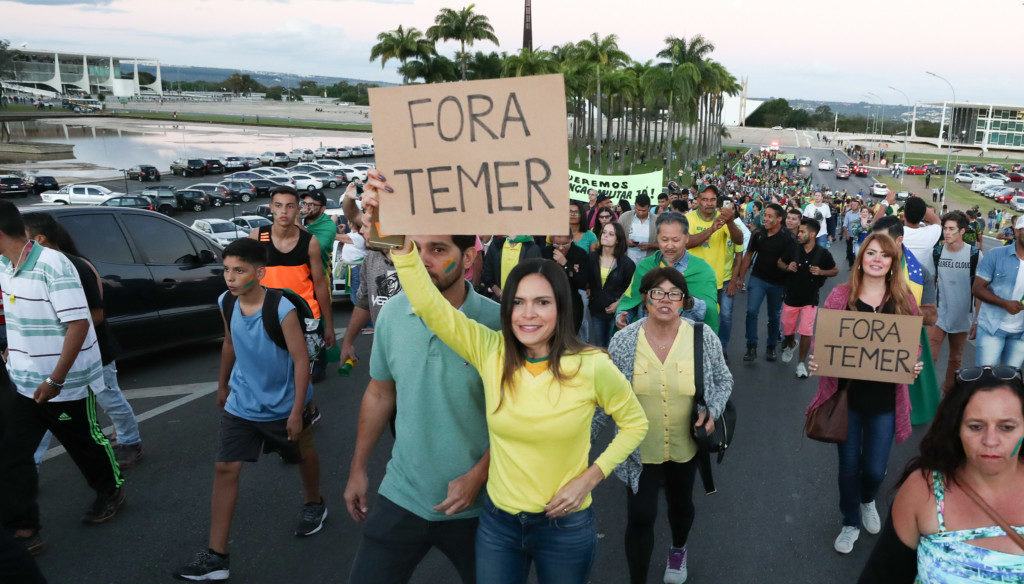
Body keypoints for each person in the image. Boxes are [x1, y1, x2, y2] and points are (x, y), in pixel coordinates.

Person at [365, 172, 649, 584]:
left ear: (562, 309)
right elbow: (429, 305)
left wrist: (590, 478)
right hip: (498, 526)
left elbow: (636, 422)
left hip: (565, 528)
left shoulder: (592, 365)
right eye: (517, 302)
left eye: (542, 302)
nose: (528, 314)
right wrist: (398, 240)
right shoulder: (489, 349)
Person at [344, 235, 498, 584]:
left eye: (438, 249)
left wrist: (478, 476)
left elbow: (521, 417)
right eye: (416, 248)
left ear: (469, 256)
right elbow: (380, 393)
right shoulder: (393, 313)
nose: (423, 259)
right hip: (403, 494)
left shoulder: (498, 322)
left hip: (481, 505)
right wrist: (358, 468)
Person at [174, 238, 323, 582]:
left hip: (283, 405)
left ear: (260, 273)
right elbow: (229, 342)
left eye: (239, 270)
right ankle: (216, 556)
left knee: (302, 453)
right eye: (226, 269)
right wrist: (223, 384)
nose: (230, 277)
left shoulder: (281, 309)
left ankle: (315, 502)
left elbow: (301, 360)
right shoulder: (226, 301)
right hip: (242, 402)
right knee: (226, 467)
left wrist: (297, 411)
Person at [0, 201, 124, 555]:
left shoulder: (55, 266)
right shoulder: (5, 265)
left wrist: (55, 380)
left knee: (84, 444)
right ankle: (24, 527)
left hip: (64, 383)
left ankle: (110, 490)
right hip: (22, 381)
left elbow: (79, 323)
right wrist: (11, 346)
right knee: (11, 454)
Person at [603, 268, 732, 584]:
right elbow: (603, 395)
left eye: (674, 294)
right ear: (645, 299)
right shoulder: (623, 341)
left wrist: (712, 411)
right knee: (640, 516)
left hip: (685, 445)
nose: (665, 299)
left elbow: (722, 378)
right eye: (657, 293)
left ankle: (678, 550)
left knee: (681, 507)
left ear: (684, 301)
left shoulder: (702, 336)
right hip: (637, 450)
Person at [806, 233, 925, 555]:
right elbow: (823, 341)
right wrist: (816, 358)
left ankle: (868, 499)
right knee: (847, 468)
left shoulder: (903, 299)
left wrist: (913, 364)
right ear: (860, 258)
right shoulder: (841, 295)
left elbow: (911, 344)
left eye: (884, 255)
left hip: (885, 401)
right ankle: (849, 521)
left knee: (873, 469)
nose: (876, 259)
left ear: (891, 263)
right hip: (846, 400)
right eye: (870, 253)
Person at [857, 367, 1024, 582]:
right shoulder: (923, 490)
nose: (990, 441)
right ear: (956, 429)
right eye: (975, 427)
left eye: (1007, 427)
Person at [22, 213, 143, 469]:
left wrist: (62, 335)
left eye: (23, 238)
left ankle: (130, 441)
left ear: (39, 239)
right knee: (43, 407)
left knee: (108, 398)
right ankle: (28, 464)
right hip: (55, 358)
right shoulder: (32, 268)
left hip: (93, 352)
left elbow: (95, 315)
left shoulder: (76, 266)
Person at [248, 187, 335, 350]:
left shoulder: (310, 242)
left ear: (297, 208)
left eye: (290, 206)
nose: (284, 211)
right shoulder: (257, 236)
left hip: (306, 315)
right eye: (279, 205)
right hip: (268, 314)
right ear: (271, 207)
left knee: (308, 372)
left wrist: (328, 325)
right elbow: (248, 279)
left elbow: (320, 284)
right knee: (274, 369)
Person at [616, 212, 720, 333]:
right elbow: (632, 300)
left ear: (687, 238)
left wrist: (684, 297)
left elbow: (709, 311)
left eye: (675, 240)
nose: (669, 246)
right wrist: (623, 317)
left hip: (685, 341)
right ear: (657, 237)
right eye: (664, 240)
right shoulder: (646, 266)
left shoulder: (702, 270)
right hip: (648, 339)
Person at [732, 203, 793, 362]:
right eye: (765, 215)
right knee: (751, 312)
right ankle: (751, 346)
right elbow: (748, 255)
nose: (765, 218)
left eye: (769, 216)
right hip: (758, 279)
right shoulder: (758, 233)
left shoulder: (788, 237)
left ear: (779, 219)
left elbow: (793, 261)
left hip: (778, 283)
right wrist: (741, 278)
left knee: (774, 316)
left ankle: (771, 346)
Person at [929, 211, 982, 392]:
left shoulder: (974, 255)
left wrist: (976, 320)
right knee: (929, 357)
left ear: (962, 231)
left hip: (962, 316)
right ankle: (925, 396)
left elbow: (980, 291)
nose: (947, 232)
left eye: (951, 229)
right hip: (939, 314)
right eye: (945, 228)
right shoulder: (937, 252)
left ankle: (948, 395)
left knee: (956, 359)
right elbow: (931, 282)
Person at [778, 217, 838, 377]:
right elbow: (780, 262)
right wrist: (787, 266)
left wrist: (821, 272)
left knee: (806, 331)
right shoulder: (793, 248)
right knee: (787, 329)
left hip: (810, 299)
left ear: (812, 235)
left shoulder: (823, 253)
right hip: (791, 296)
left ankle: (801, 365)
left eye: (802, 231)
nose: (798, 234)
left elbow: (835, 270)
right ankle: (790, 344)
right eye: (799, 231)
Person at [971, 215, 1024, 366]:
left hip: (1020, 335)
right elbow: (977, 288)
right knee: (986, 380)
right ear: (1017, 231)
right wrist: (1004, 303)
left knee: (1010, 381)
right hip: (992, 328)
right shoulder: (996, 255)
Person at [587, 222, 635, 348]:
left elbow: (631, 288)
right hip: (596, 310)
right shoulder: (592, 257)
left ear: (618, 240)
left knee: (614, 348)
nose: (605, 236)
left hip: (616, 312)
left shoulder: (626, 264)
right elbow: (585, 279)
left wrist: (619, 303)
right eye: (604, 232)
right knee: (598, 349)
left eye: (611, 234)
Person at [543, 235, 590, 333]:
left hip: (571, 304)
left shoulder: (580, 254)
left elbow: (582, 283)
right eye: (556, 244)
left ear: (571, 239)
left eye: (565, 244)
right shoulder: (545, 252)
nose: (560, 248)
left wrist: (565, 264)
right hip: (549, 303)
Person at [482, 235, 543, 302]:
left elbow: (535, 279)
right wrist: (500, 293)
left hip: (522, 302)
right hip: (498, 302)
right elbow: (487, 274)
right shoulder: (496, 245)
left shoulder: (532, 249)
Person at [300, 190, 338, 281]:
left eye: (311, 205)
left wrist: (296, 222)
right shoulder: (299, 219)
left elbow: (317, 247)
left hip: (320, 277)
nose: (306, 208)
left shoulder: (328, 225)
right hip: (298, 275)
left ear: (323, 208)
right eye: (304, 203)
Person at [619, 194, 657, 266]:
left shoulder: (657, 220)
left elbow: (662, 244)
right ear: (635, 205)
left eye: (644, 210)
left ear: (649, 207)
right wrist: (625, 241)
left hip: (648, 264)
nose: (641, 213)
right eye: (638, 210)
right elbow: (616, 236)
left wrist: (651, 246)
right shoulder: (625, 217)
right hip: (626, 262)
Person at [842, 199, 862, 267]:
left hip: (859, 236)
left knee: (859, 251)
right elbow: (845, 225)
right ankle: (851, 263)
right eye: (852, 204)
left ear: (859, 206)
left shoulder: (862, 214)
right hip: (850, 235)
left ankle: (858, 264)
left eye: (855, 205)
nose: (853, 206)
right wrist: (846, 234)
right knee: (849, 250)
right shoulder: (848, 214)